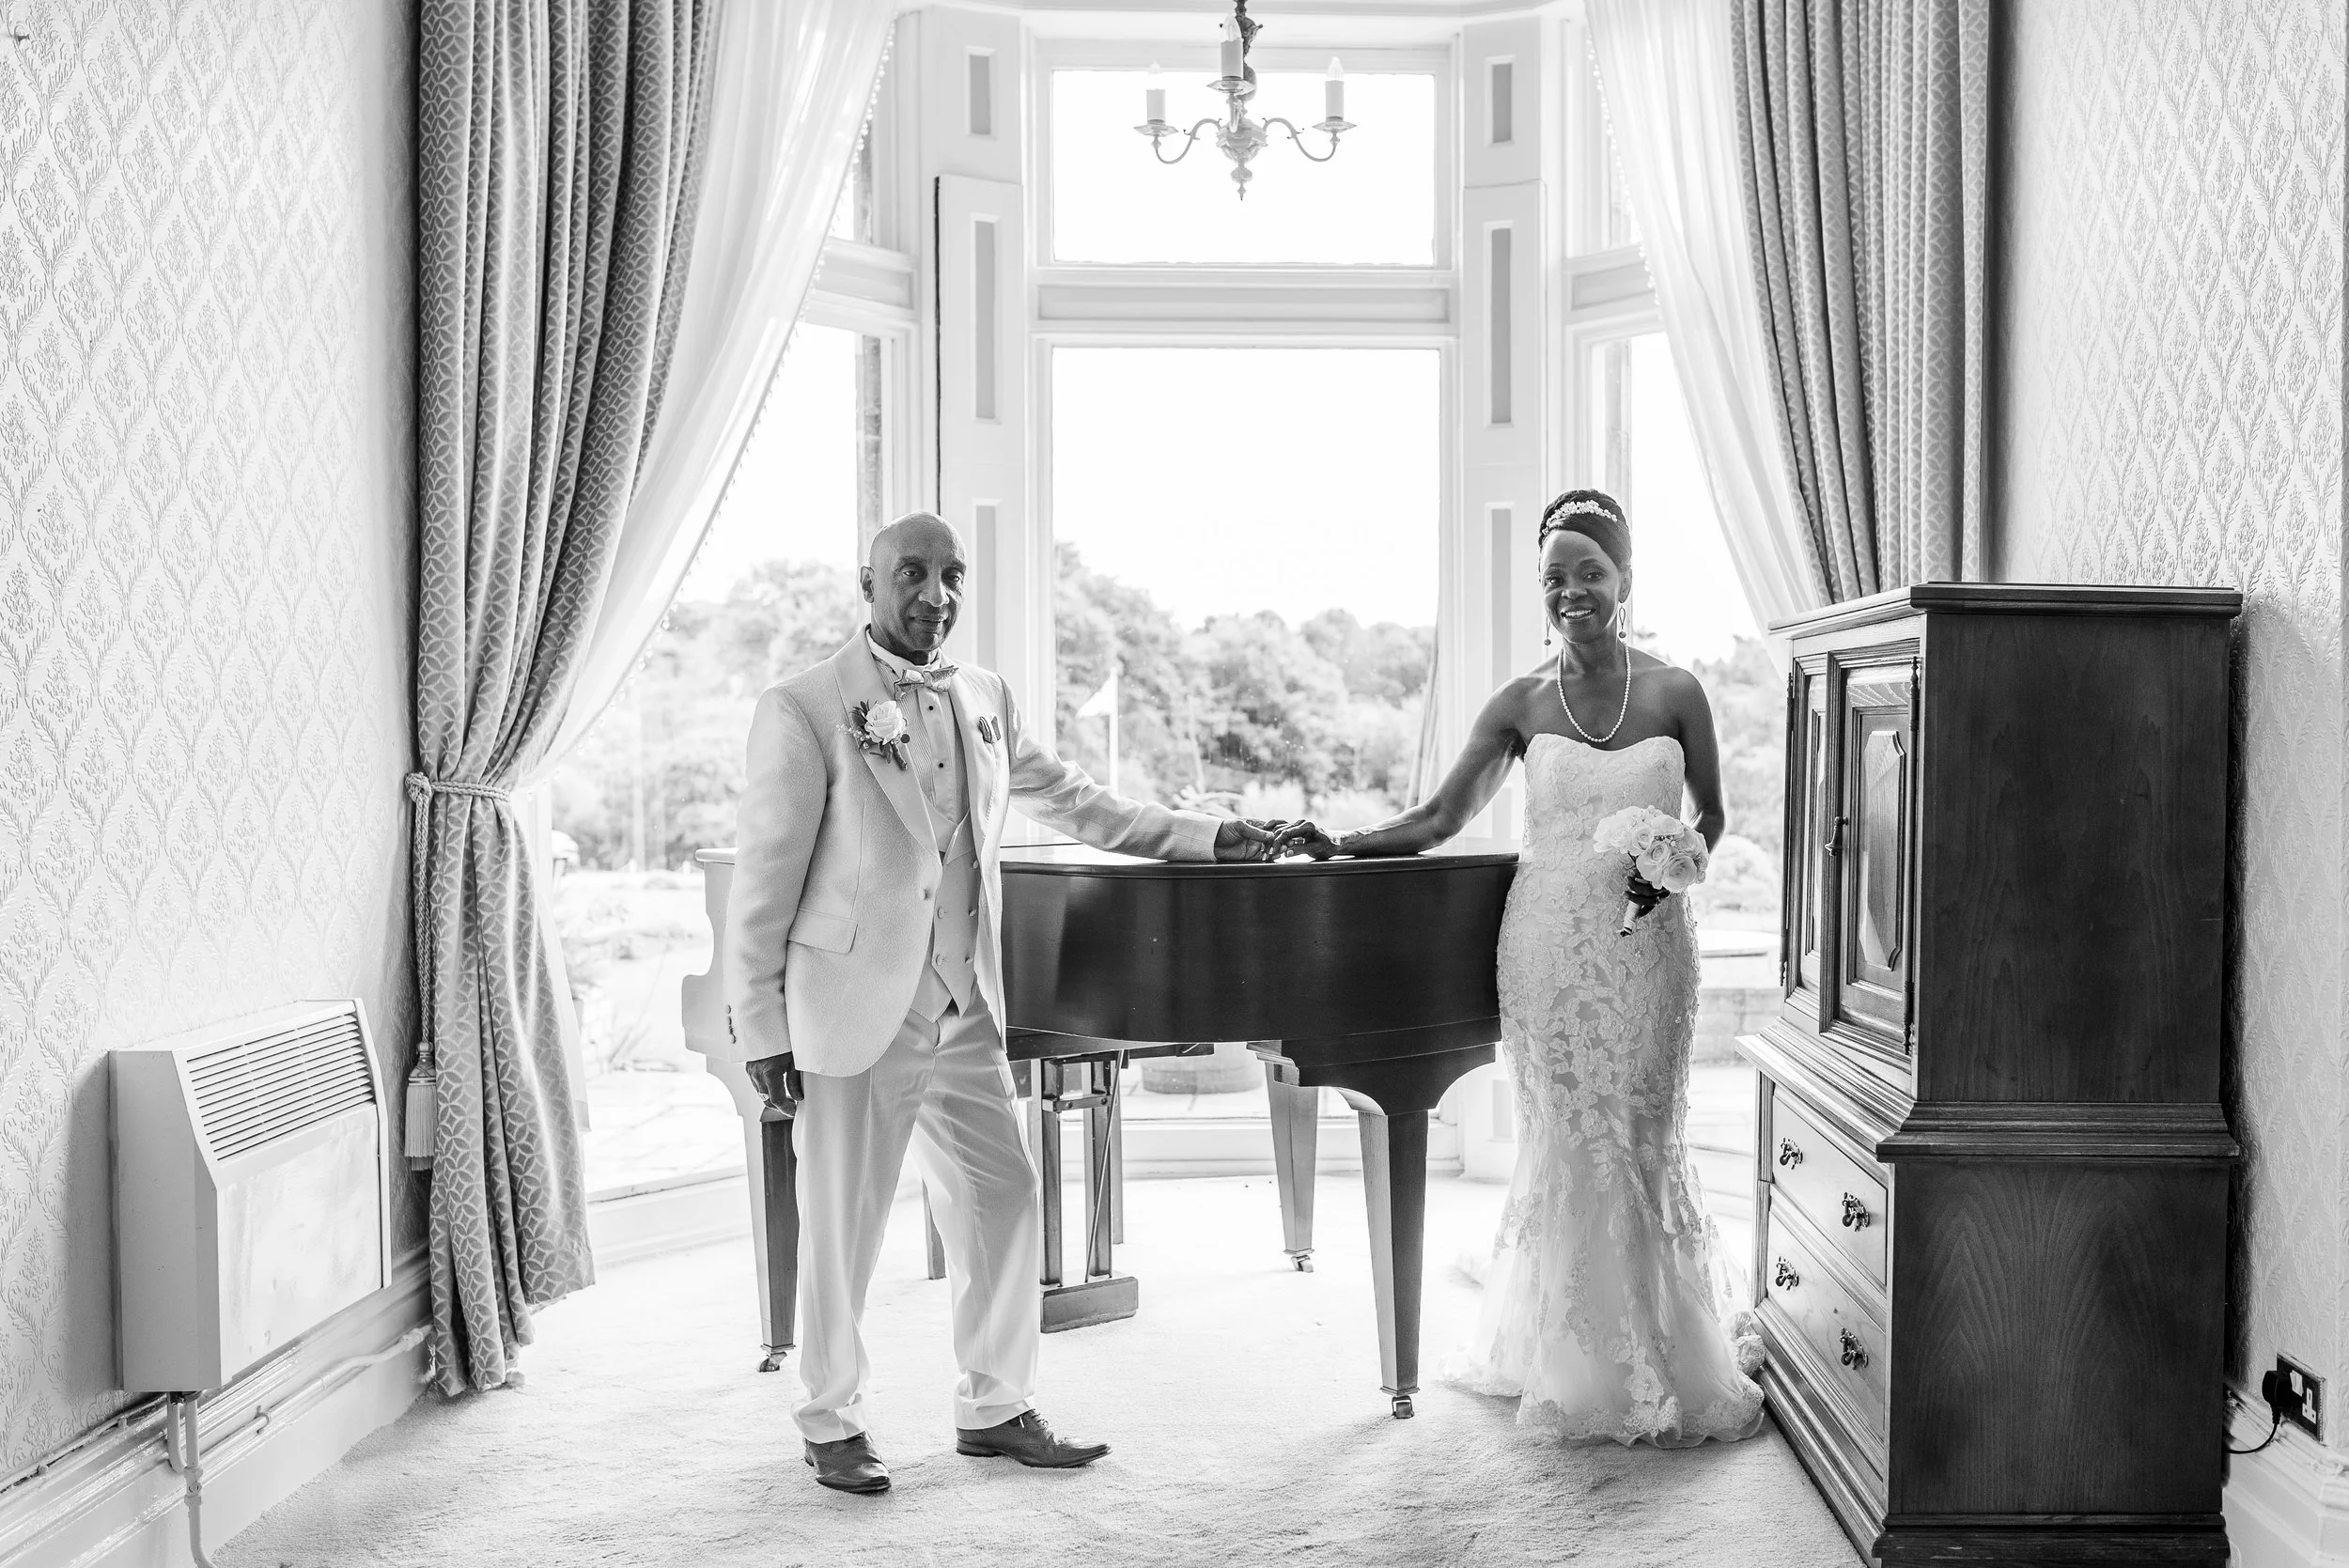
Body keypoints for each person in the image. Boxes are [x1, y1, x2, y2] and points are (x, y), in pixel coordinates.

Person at [723, 511, 1277, 1495]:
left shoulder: (984, 697)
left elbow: (1080, 800)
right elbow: (762, 883)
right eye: (912, 574)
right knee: (844, 1221)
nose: (935, 594)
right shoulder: (804, 705)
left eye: (952, 575)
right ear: (868, 581)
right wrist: (761, 1025)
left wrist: (1210, 837)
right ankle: (830, 1419)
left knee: (1004, 1194)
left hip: (964, 1001)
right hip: (855, 1005)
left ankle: (995, 1405)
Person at [1270, 489, 1763, 1447]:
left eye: (1590, 570)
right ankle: (1564, 1348)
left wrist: (1675, 862)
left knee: (1641, 1124)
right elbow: (1438, 819)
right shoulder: (1518, 702)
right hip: (1542, 947)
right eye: (1555, 575)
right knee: (1568, 1131)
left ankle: (1665, 1339)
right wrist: (1342, 843)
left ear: (1624, 579)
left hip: (1648, 945)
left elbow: (1714, 814)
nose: (1572, 590)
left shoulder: (1676, 690)